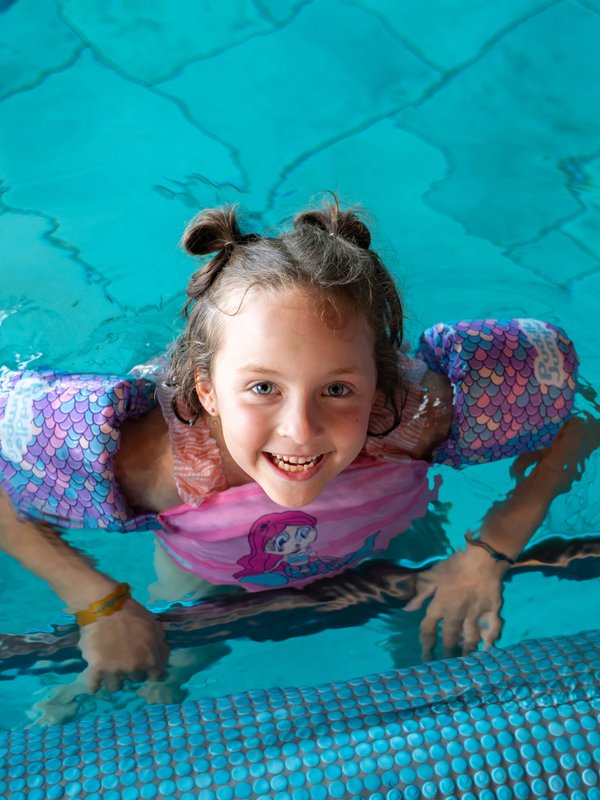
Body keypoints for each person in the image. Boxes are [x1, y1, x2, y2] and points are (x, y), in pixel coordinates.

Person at [0, 197, 590, 696]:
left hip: (392, 538)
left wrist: (487, 553)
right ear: (206, 391)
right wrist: (97, 603)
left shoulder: (414, 417)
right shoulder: (157, 465)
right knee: (160, 677)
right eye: (262, 388)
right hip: (208, 575)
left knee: (443, 664)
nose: (301, 430)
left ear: (379, 384)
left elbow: (578, 422)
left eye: (337, 389)